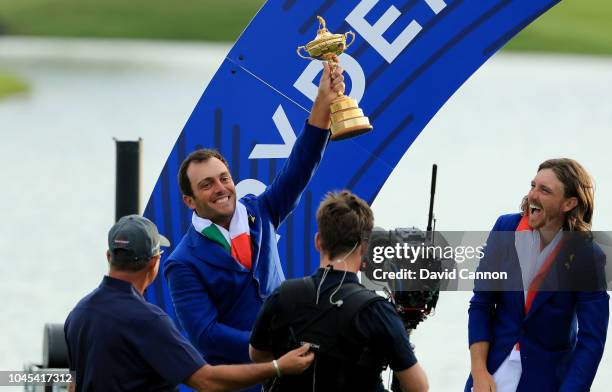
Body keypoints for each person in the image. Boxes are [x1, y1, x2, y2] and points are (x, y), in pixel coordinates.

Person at [164, 59, 344, 375]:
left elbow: (299, 168)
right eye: (207, 185)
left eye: (223, 177)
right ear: (189, 200)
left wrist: (323, 104)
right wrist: (271, 349)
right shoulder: (181, 263)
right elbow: (206, 335)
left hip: (290, 377)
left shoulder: (259, 211)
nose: (220, 189)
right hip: (241, 381)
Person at [64, 215, 314, 392]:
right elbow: (207, 381)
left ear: (109, 256)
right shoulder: (148, 320)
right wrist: (278, 367)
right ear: (154, 262)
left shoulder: (78, 314)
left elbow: (73, 385)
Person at [249, 190, 429, 392]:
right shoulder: (377, 311)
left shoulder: (282, 295)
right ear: (365, 248)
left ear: (318, 241)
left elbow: (257, 354)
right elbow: (418, 387)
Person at [466, 159, 609, 392]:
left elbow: (592, 340)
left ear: (569, 203)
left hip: (548, 381)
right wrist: (479, 372)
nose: (533, 195)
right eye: (533, 186)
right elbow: (481, 303)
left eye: (545, 190)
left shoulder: (587, 255)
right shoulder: (505, 228)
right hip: (489, 376)